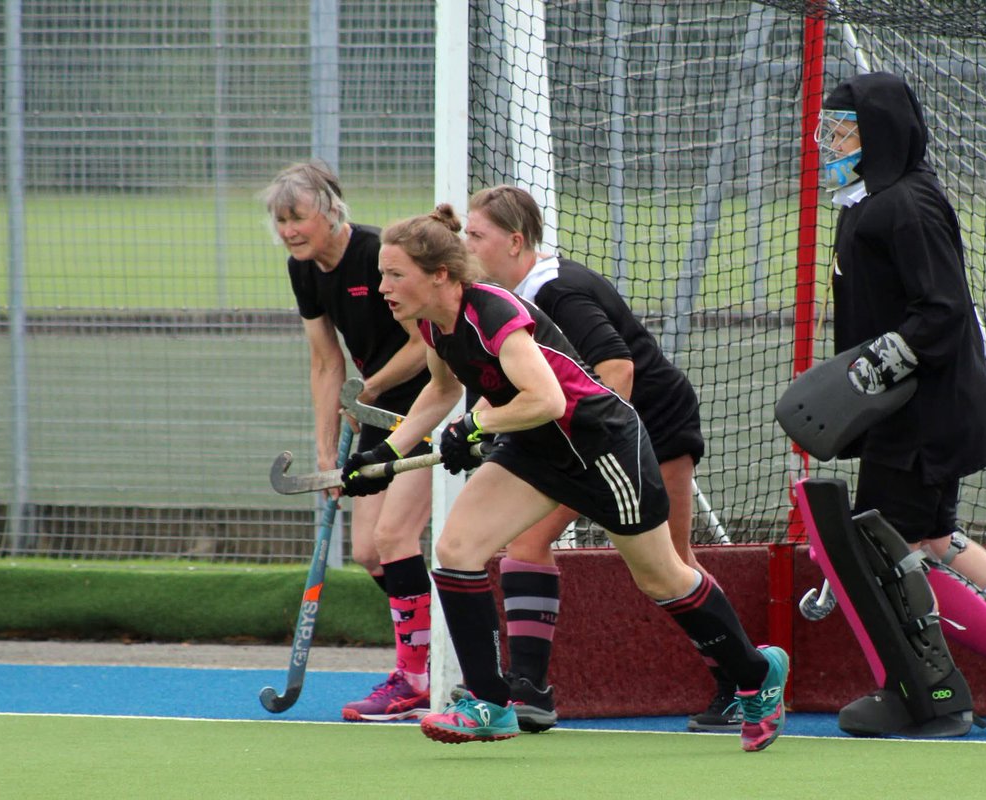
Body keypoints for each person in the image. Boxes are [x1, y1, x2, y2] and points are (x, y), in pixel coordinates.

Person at [340, 204, 789, 752]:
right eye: (383, 275)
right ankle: (490, 702)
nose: (382, 285)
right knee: (456, 548)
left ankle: (755, 675)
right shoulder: (433, 324)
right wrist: (385, 452)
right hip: (534, 450)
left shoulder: (494, 313)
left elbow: (547, 398)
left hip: (600, 450)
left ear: (439, 274)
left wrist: (477, 424)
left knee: (663, 579)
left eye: (394, 274)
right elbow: (441, 391)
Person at [815, 71, 986, 731]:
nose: (828, 140)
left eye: (842, 128)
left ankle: (935, 687)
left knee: (884, 553)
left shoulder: (904, 207)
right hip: (915, 410)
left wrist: (873, 367)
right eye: (825, 128)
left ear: (879, 133)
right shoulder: (874, 201)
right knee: (933, 536)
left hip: (917, 417)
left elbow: (939, 313)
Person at [464, 184, 740, 734]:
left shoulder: (559, 291)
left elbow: (618, 370)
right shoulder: (503, 301)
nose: (466, 245)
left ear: (515, 241)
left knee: (672, 567)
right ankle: (530, 692)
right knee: (527, 543)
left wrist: (586, 451)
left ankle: (742, 684)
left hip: (650, 428)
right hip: (584, 437)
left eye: (477, 235)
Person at [262, 161, 436, 723]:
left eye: (297, 217)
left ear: (331, 210)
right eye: (280, 220)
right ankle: (437, 645)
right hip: (375, 413)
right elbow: (325, 360)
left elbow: (425, 342)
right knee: (367, 550)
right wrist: (323, 447)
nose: (289, 230)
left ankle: (416, 679)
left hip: (430, 400)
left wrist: (373, 387)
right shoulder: (304, 269)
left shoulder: (376, 255)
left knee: (393, 535)